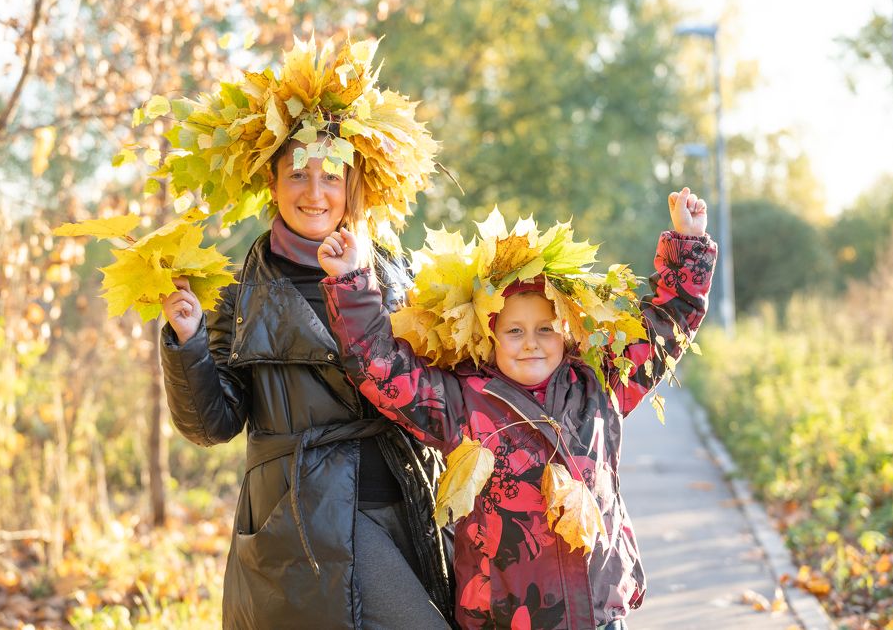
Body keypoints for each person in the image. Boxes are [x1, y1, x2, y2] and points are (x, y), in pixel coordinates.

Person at [316, 187, 717, 629]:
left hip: (597, 610)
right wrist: (351, 281)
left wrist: (688, 243)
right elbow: (384, 371)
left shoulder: (600, 386)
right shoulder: (464, 403)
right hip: (503, 616)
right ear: (490, 337)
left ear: (566, 331)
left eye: (545, 328)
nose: (531, 342)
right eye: (514, 331)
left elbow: (667, 328)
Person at [158, 36, 453, 629]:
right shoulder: (236, 292)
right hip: (303, 517)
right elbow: (211, 425)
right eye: (297, 174)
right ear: (271, 181)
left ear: (353, 186)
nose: (314, 193)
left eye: (332, 176)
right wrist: (187, 342)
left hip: (407, 494)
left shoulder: (395, 271)